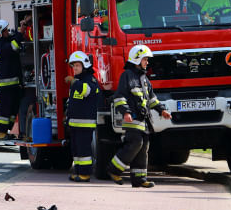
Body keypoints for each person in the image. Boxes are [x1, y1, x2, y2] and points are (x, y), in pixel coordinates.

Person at [107, 44, 171, 188]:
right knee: (135, 143)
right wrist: (126, 112)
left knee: (143, 148)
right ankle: (113, 169)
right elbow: (120, 96)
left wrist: (161, 110)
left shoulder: (144, 78)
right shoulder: (127, 75)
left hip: (144, 121)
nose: (147, 62)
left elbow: (152, 98)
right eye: (145, 59)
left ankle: (139, 179)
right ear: (136, 59)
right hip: (132, 119)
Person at [64, 51, 99, 182]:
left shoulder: (90, 79)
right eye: (73, 66)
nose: (75, 69)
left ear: (84, 66)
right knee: (76, 150)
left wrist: (74, 82)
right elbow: (73, 101)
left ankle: (85, 174)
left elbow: (86, 91)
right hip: (74, 123)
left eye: (77, 66)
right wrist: (66, 115)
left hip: (85, 124)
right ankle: (78, 172)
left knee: (84, 150)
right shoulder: (78, 81)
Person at [0, 19, 24, 140]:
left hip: (14, 83)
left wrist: (20, 29)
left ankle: (7, 130)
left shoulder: (4, 41)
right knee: (5, 108)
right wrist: (21, 32)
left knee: (13, 107)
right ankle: (1, 132)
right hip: (6, 84)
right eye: (5, 30)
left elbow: (12, 39)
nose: (7, 32)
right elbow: (13, 46)